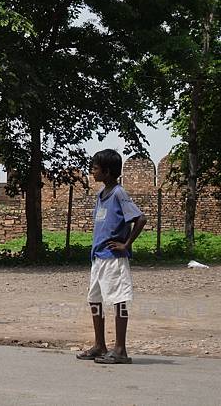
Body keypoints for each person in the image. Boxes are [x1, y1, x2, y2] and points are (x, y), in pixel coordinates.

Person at [76, 149, 147, 364]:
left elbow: (140, 219)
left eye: (95, 168)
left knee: (118, 302)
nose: (92, 171)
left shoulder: (119, 193)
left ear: (107, 172)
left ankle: (120, 349)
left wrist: (126, 244)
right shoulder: (100, 195)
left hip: (114, 258)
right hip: (98, 257)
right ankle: (100, 345)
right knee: (94, 300)